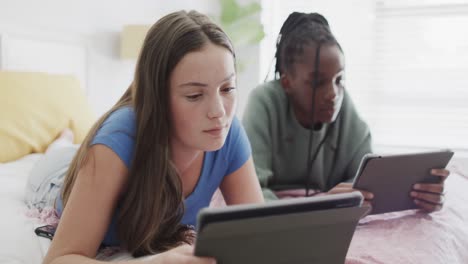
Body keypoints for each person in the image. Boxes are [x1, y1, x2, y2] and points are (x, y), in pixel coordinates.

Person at [28, 10, 264, 264]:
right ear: (158, 99)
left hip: (100, 164)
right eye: (195, 96)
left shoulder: (229, 133)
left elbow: (262, 234)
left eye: (227, 88)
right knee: (59, 155)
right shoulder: (116, 140)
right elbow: (59, 259)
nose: (219, 111)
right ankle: (58, 144)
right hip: (55, 180)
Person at [242, 12, 449, 212]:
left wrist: (419, 196)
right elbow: (249, 193)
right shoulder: (264, 101)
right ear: (287, 82)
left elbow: (367, 183)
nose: (333, 94)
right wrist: (319, 207)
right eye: (317, 82)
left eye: (339, 80)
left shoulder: (343, 104)